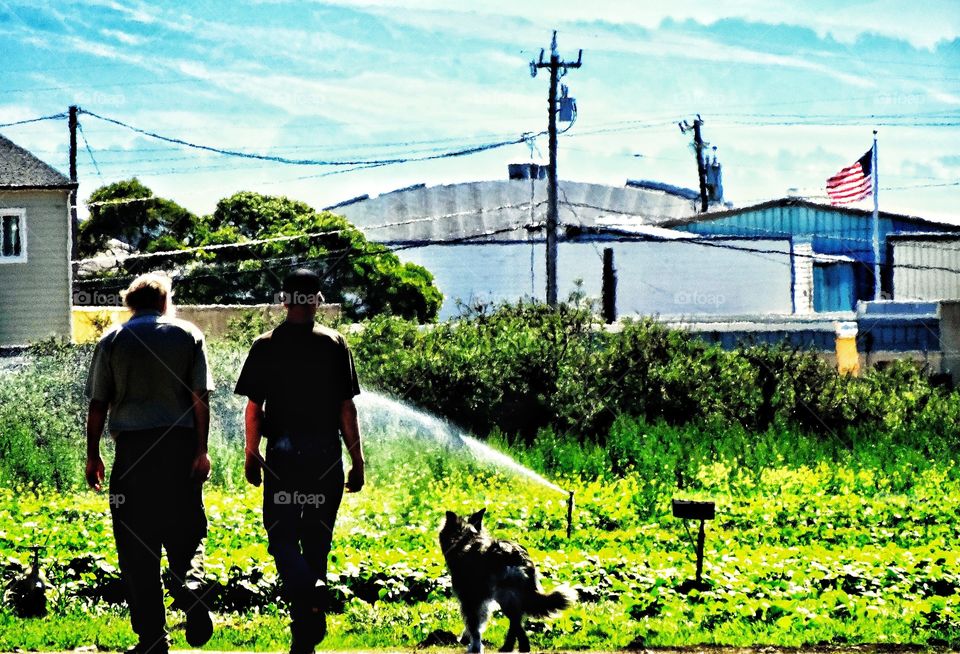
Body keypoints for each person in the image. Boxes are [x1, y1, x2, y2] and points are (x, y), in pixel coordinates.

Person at [235, 269, 365, 654]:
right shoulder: (334, 344)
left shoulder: (265, 345)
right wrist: (357, 459)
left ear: (284, 299)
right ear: (318, 301)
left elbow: (254, 409)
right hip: (325, 455)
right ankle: (307, 623)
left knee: (281, 537)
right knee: (317, 540)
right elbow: (347, 409)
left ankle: (306, 603)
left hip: (283, 457)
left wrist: (251, 453)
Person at [85, 273, 215, 654]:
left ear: (130, 303)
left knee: (135, 546)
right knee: (188, 530)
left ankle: (153, 637)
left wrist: (94, 455)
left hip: (132, 455)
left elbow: (98, 406)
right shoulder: (188, 335)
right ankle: (191, 588)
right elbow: (199, 399)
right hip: (179, 448)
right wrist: (201, 449)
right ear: (164, 301)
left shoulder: (112, 341)